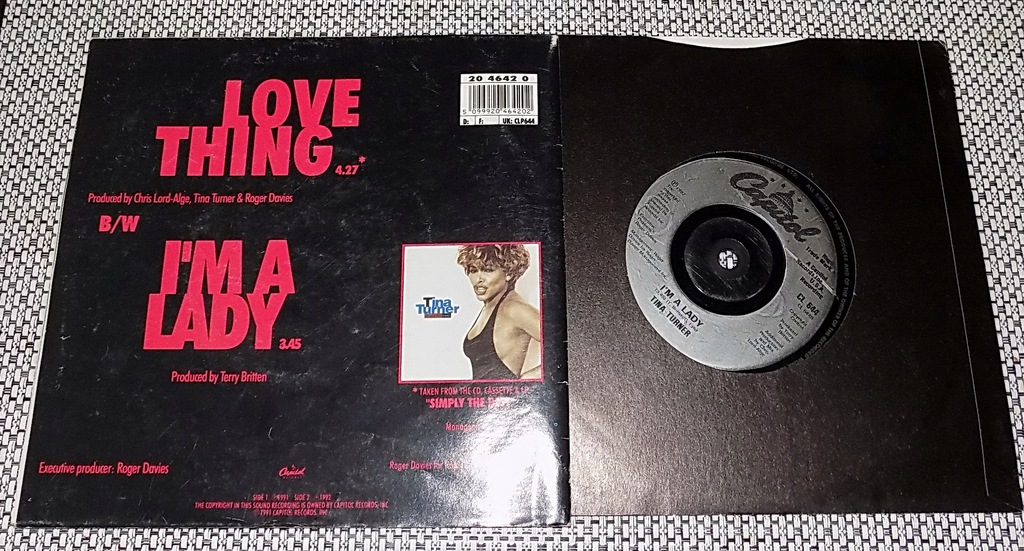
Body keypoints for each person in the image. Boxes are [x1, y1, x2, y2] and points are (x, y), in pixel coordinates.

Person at [457, 244, 542, 380]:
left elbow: (563, 343)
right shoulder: (491, 305)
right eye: (473, 270)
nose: (478, 279)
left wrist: (527, 378)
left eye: (488, 270)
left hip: (503, 393)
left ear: (509, 273)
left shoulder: (514, 308)